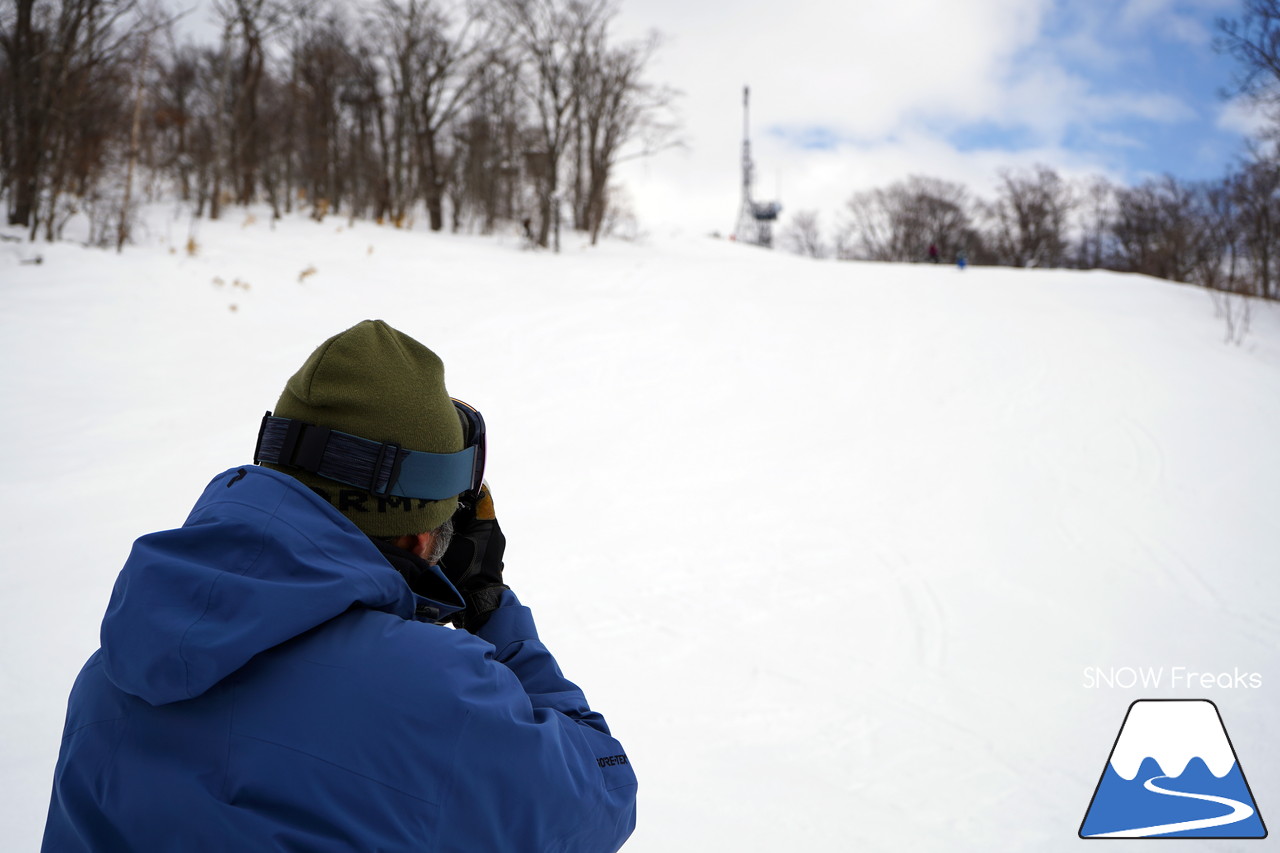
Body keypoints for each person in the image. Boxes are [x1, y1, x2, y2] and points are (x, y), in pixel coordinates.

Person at [41, 320, 637, 852]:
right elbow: (604, 795)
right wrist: (488, 607)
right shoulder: (441, 695)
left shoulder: (111, 674)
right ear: (417, 533)